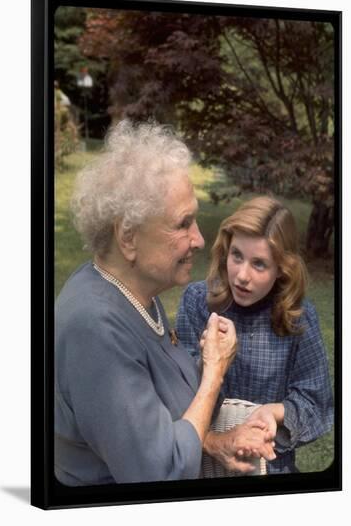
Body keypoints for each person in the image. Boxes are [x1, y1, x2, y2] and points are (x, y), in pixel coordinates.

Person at [55, 121, 275, 486]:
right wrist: (215, 371)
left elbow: (154, 419)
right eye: (183, 223)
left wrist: (212, 441)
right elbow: (160, 471)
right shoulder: (93, 328)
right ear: (128, 236)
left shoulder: (137, 295)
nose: (200, 239)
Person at [176, 196, 334, 474]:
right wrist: (207, 364)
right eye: (237, 256)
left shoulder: (297, 317)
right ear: (226, 250)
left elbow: (316, 403)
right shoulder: (198, 302)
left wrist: (274, 412)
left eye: (259, 264)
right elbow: (176, 393)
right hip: (203, 463)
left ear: (281, 269)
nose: (242, 276)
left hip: (268, 467)